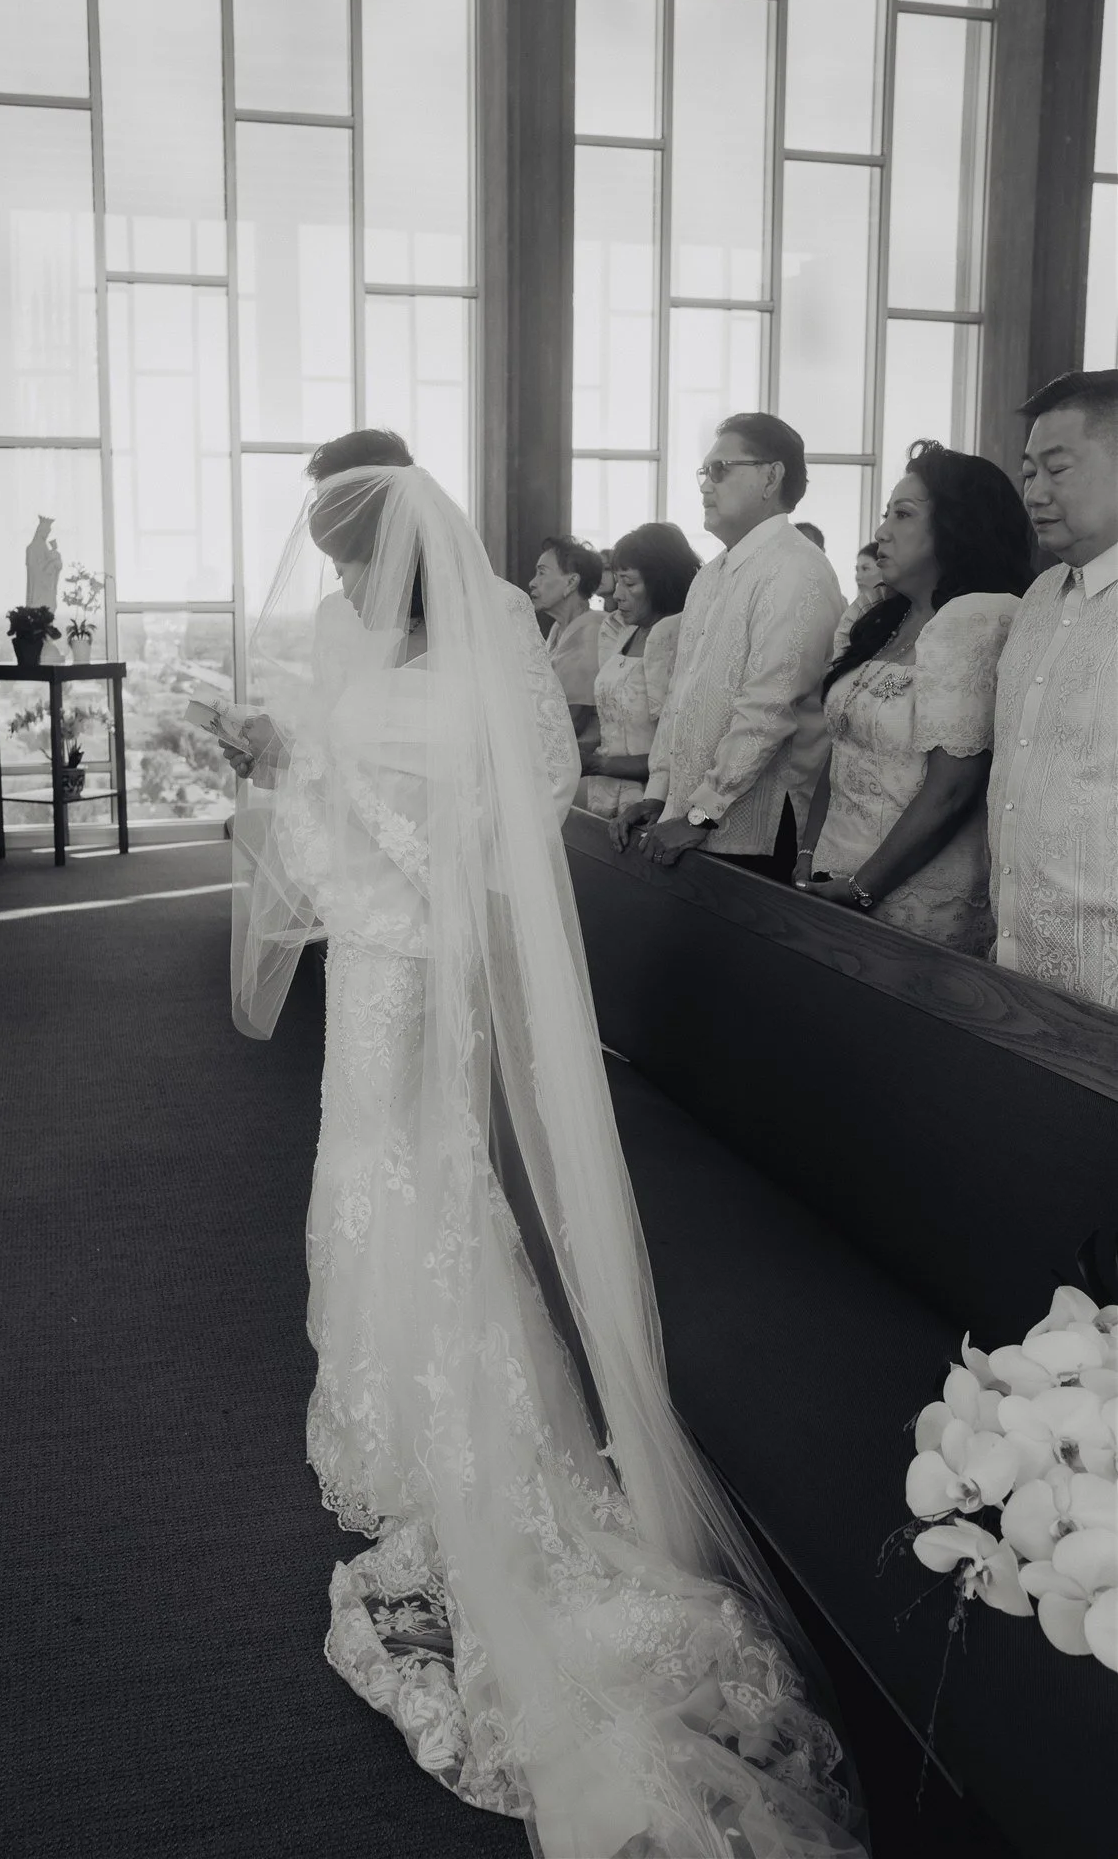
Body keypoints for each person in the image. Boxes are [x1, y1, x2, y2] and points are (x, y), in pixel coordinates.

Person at [227, 446, 865, 1858]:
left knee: (400, 1175)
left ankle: (415, 1420)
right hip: (411, 967)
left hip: (404, 966)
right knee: (405, 1175)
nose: (336, 583)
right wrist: (300, 773)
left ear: (384, 563)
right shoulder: (432, 678)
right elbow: (405, 834)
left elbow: (411, 854)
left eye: (345, 561)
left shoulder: (419, 690)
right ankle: (399, 1399)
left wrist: (311, 774)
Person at [794, 443, 1034, 952]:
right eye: (886, 514)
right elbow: (838, 752)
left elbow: (953, 790)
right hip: (831, 875)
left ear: (960, 526)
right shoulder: (881, 619)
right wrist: (807, 853)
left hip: (913, 895)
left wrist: (862, 889)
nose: (881, 531)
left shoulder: (980, 619)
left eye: (903, 515)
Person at [615, 414, 844, 880]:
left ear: (770, 476)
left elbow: (769, 710)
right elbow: (681, 699)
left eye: (720, 470)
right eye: (704, 472)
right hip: (688, 817)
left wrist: (701, 814)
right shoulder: (713, 574)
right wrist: (659, 793)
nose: (705, 485)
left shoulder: (796, 570)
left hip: (752, 826)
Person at [989, 368, 1118, 1008]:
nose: (1033, 492)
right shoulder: (1041, 596)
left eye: (1057, 470)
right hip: (1018, 958)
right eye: (1027, 472)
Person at [581, 523, 699, 819]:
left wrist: (598, 764)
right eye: (617, 581)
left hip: (648, 804)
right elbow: (611, 720)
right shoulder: (624, 632)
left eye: (629, 584)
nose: (617, 594)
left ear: (661, 582)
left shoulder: (674, 637)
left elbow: (675, 749)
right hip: (605, 794)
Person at [527, 534, 604, 767]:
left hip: (579, 762)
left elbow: (573, 721)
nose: (532, 582)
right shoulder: (559, 629)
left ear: (571, 582)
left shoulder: (591, 630)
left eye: (542, 572)